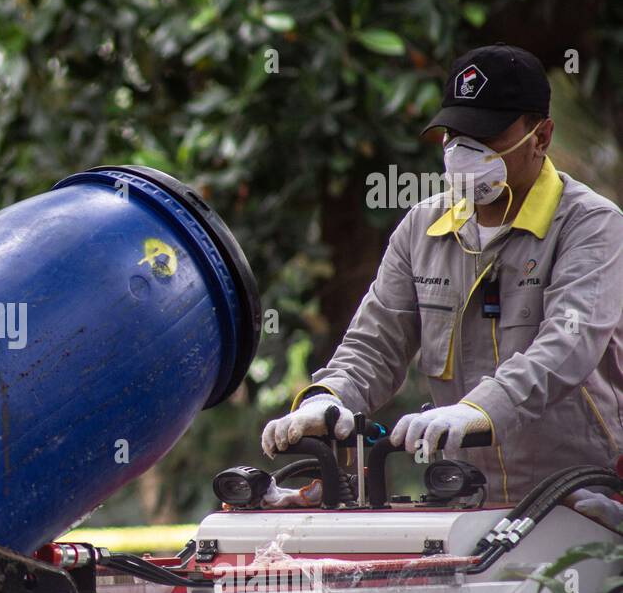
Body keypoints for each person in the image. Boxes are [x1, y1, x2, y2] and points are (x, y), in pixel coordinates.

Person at [261, 44, 623, 523]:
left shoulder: (591, 225)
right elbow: (374, 344)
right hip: (464, 505)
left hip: (579, 501)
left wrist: (480, 411)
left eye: (486, 135)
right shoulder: (423, 228)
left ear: (541, 136)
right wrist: (327, 398)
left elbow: (565, 349)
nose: (463, 152)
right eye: (454, 133)